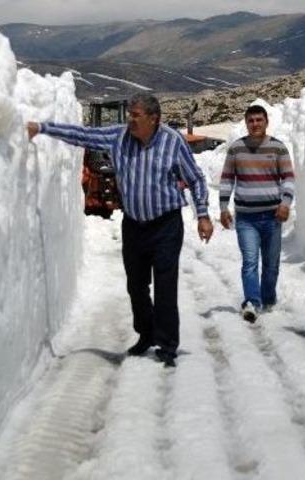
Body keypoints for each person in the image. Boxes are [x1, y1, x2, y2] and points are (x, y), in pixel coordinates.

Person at [27, 93, 214, 367]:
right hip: (134, 226)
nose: (130, 120)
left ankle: (167, 345)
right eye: (130, 114)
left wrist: (203, 215)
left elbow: (195, 179)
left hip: (166, 226)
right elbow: (83, 135)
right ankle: (146, 334)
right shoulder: (119, 136)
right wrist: (42, 128)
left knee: (165, 286)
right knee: (136, 286)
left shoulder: (173, 141)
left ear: (154, 119)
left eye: (136, 115)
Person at [219, 105, 295, 322]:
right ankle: (252, 301)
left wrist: (286, 203)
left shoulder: (278, 148)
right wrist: (223, 208)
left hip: (272, 217)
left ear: (266, 122)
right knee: (250, 261)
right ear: (246, 123)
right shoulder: (236, 149)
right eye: (251, 120)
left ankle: (268, 298)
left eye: (259, 120)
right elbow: (227, 180)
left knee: (271, 265)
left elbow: (288, 177)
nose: (255, 124)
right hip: (246, 218)